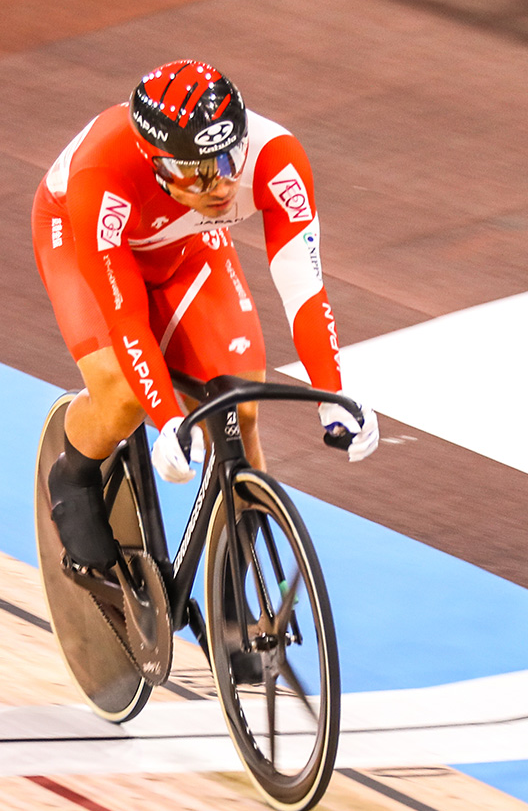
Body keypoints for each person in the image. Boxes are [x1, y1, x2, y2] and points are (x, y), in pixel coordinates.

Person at [33, 60, 378, 571]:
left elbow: (305, 291)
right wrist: (168, 418)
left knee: (241, 403)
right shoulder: (101, 177)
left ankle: (241, 591)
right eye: (194, 172)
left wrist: (333, 395)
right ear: (156, 163)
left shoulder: (275, 158)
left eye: (227, 158)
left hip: (186, 242)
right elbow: (126, 318)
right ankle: (75, 471)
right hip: (82, 236)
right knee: (125, 398)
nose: (218, 186)